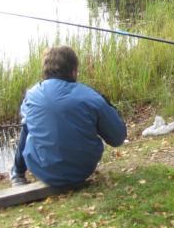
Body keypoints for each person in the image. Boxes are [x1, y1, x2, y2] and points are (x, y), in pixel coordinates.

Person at [10, 46, 127, 187]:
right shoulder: (91, 96)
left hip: (42, 172)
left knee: (28, 124)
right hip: (81, 171)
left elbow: (28, 118)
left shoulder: (32, 95)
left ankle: (17, 174)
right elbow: (118, 138)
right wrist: (107, 105)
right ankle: (19, 174)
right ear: (73, 71)